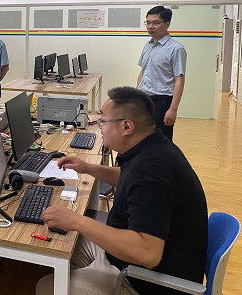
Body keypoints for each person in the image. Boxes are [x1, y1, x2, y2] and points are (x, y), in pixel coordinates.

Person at [36, 86, 207, 295]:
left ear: (127, 126)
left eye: (103, 121)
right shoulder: (153, 147)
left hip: (148, 280)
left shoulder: (152, 172)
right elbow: (129, 178)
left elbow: (147, 253)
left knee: (47, 286)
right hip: (129, 259)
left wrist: (77, 221)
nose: (100, 127)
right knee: (58, 246)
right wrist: (88, 168)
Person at [137, 5, 186, 140]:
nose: (150, 27)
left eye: (155, 23)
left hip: (162, 101)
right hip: (144, 100)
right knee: (142, 138)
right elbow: (143, 71)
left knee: (161, 141)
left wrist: (173, 109)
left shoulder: (176, 49)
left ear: (167, 24)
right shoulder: (147, 45)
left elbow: (179, 80)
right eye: (148, 23)